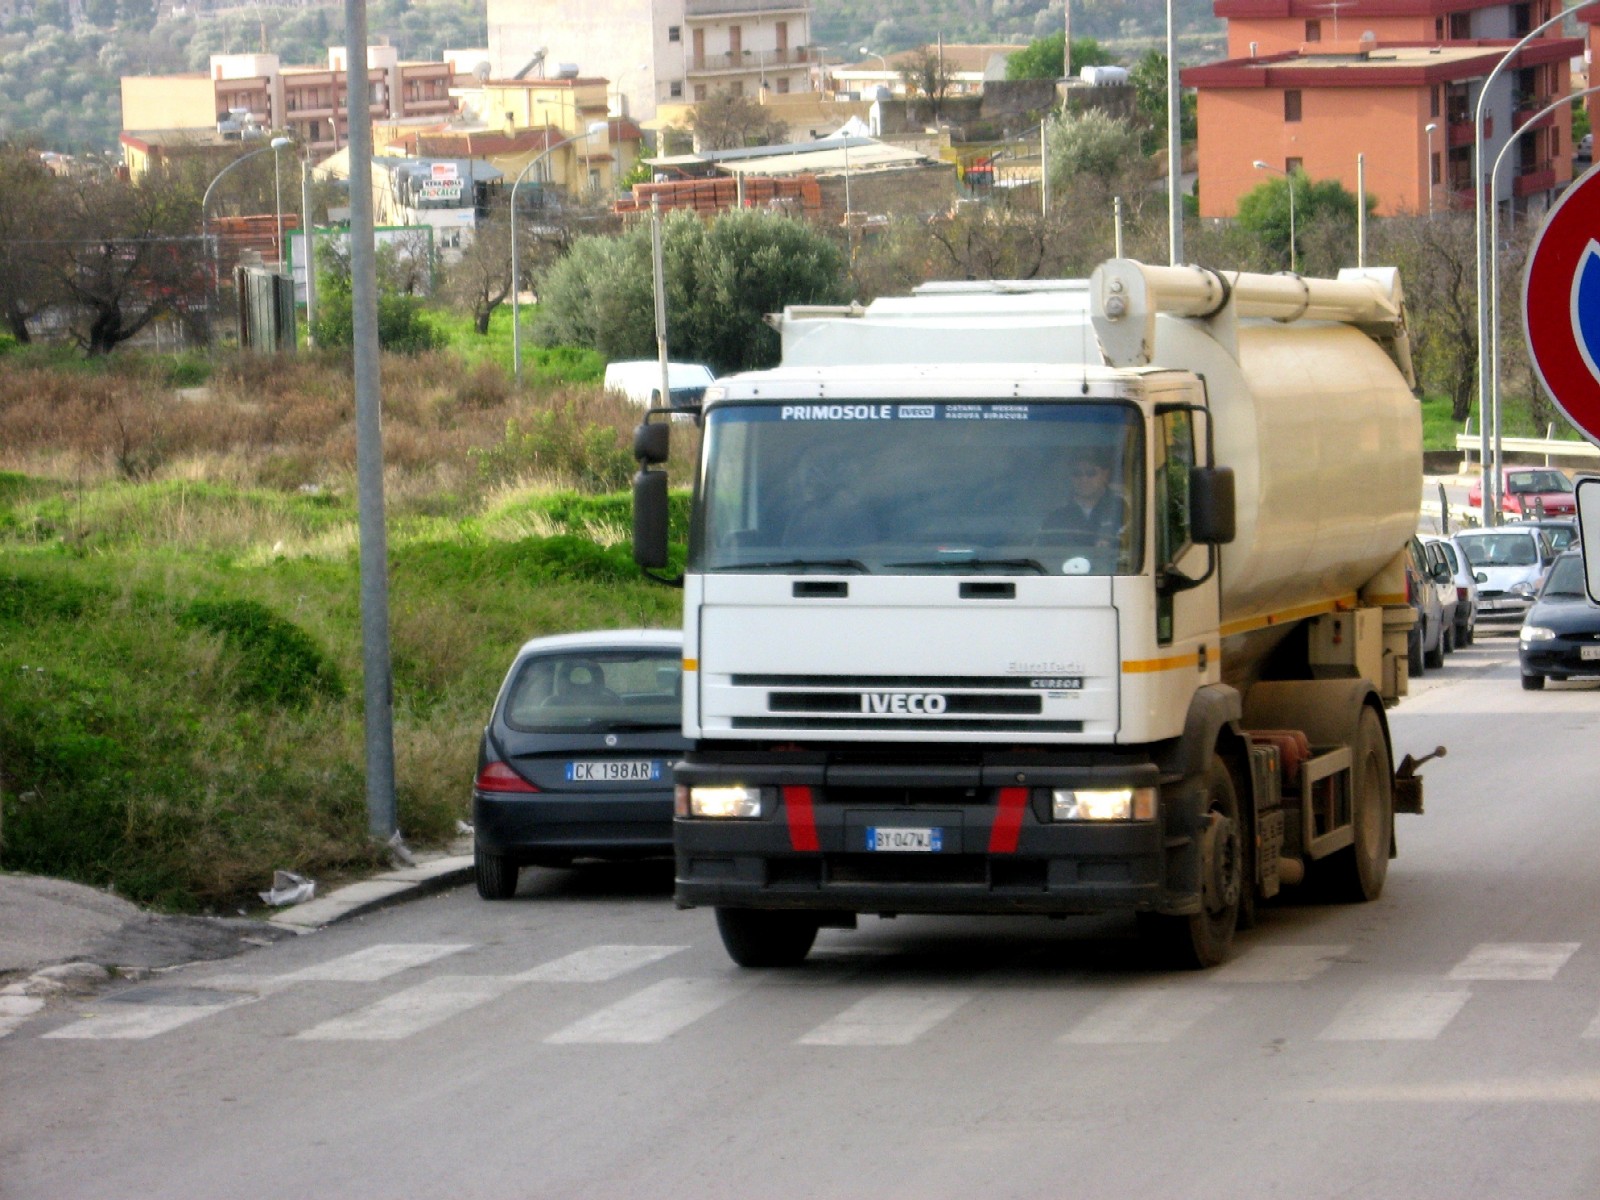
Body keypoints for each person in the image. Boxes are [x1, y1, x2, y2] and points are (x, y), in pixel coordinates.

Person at [1041, 448, 1130, 550]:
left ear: (1105, 475)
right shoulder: (1056, 518)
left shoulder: (1122, 510)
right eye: (1077, 473)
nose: (1084, 479)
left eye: (1091, 473)